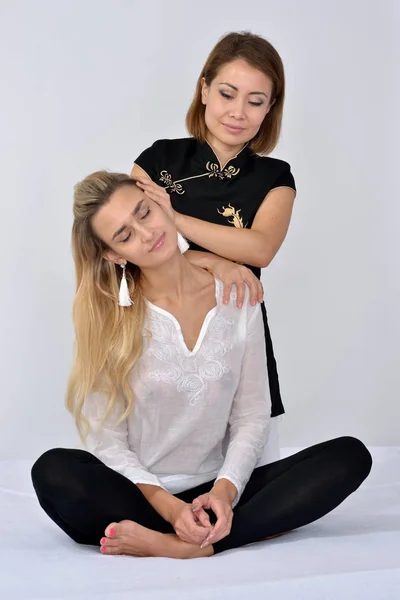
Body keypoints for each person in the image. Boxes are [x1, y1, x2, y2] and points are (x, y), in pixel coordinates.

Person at [31, 172, 372, 559]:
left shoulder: (236, 293)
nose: (146, 233)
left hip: (217, 488)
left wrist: (225, 492)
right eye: (124, 236)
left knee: (349, 455)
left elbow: (252, 415)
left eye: (144, 213)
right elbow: (105, 438)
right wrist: (170, 507)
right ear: (114, 255)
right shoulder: (108, 316)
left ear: (160, 202)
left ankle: (180, 544)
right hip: (139, 494)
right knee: (54, 472)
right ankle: (208, 535)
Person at [131, 31, 297, 464]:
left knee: (252, 481)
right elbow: (134, 246)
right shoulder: (158, 161)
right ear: (204, 90)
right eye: (227, 93)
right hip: (159, 337)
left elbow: (259, 250)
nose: (238, 112)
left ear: (270, 109)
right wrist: (211, 259)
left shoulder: (276, 177)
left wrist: (175, 220)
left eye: (256, 101)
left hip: (237, 336)